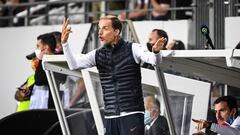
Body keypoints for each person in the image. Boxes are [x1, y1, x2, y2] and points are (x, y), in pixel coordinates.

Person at [61, 15, 166, 135]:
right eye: (99, 28)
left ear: (116, 31)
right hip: (110, 116)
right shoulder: (97, 54)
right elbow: (73, 65)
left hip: (132, 114)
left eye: (105, 28)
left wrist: (156, 52)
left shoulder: (133, 48)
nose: (100, 32)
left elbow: (154, 60)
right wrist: (64, 44)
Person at [29, 33, 56, 109]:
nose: (36, 49)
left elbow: (39, 81)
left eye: (38, 46)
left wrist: (41, 60)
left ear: (46, 48)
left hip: (50, 110)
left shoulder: (53, 63)